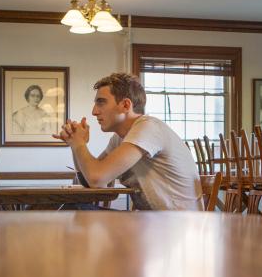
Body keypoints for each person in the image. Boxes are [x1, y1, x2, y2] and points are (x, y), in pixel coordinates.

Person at [53, 73, 203, 211]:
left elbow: (96, 178)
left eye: (101, 103)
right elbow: (89, 180)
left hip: (177, 226)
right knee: (71, 208)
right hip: (152, 222)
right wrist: (75, 144)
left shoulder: (148, 127)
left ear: (125, 105)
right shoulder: (120, 138)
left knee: (75, 211)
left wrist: (80, 144)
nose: (94, 111)